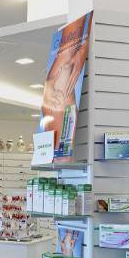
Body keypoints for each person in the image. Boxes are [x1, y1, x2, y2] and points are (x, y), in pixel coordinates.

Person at [41, 14, 92, 156]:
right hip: (59, 90)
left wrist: (84, 48)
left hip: (58, 88)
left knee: (60, 156)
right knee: (61, 157)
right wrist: (84, 48)